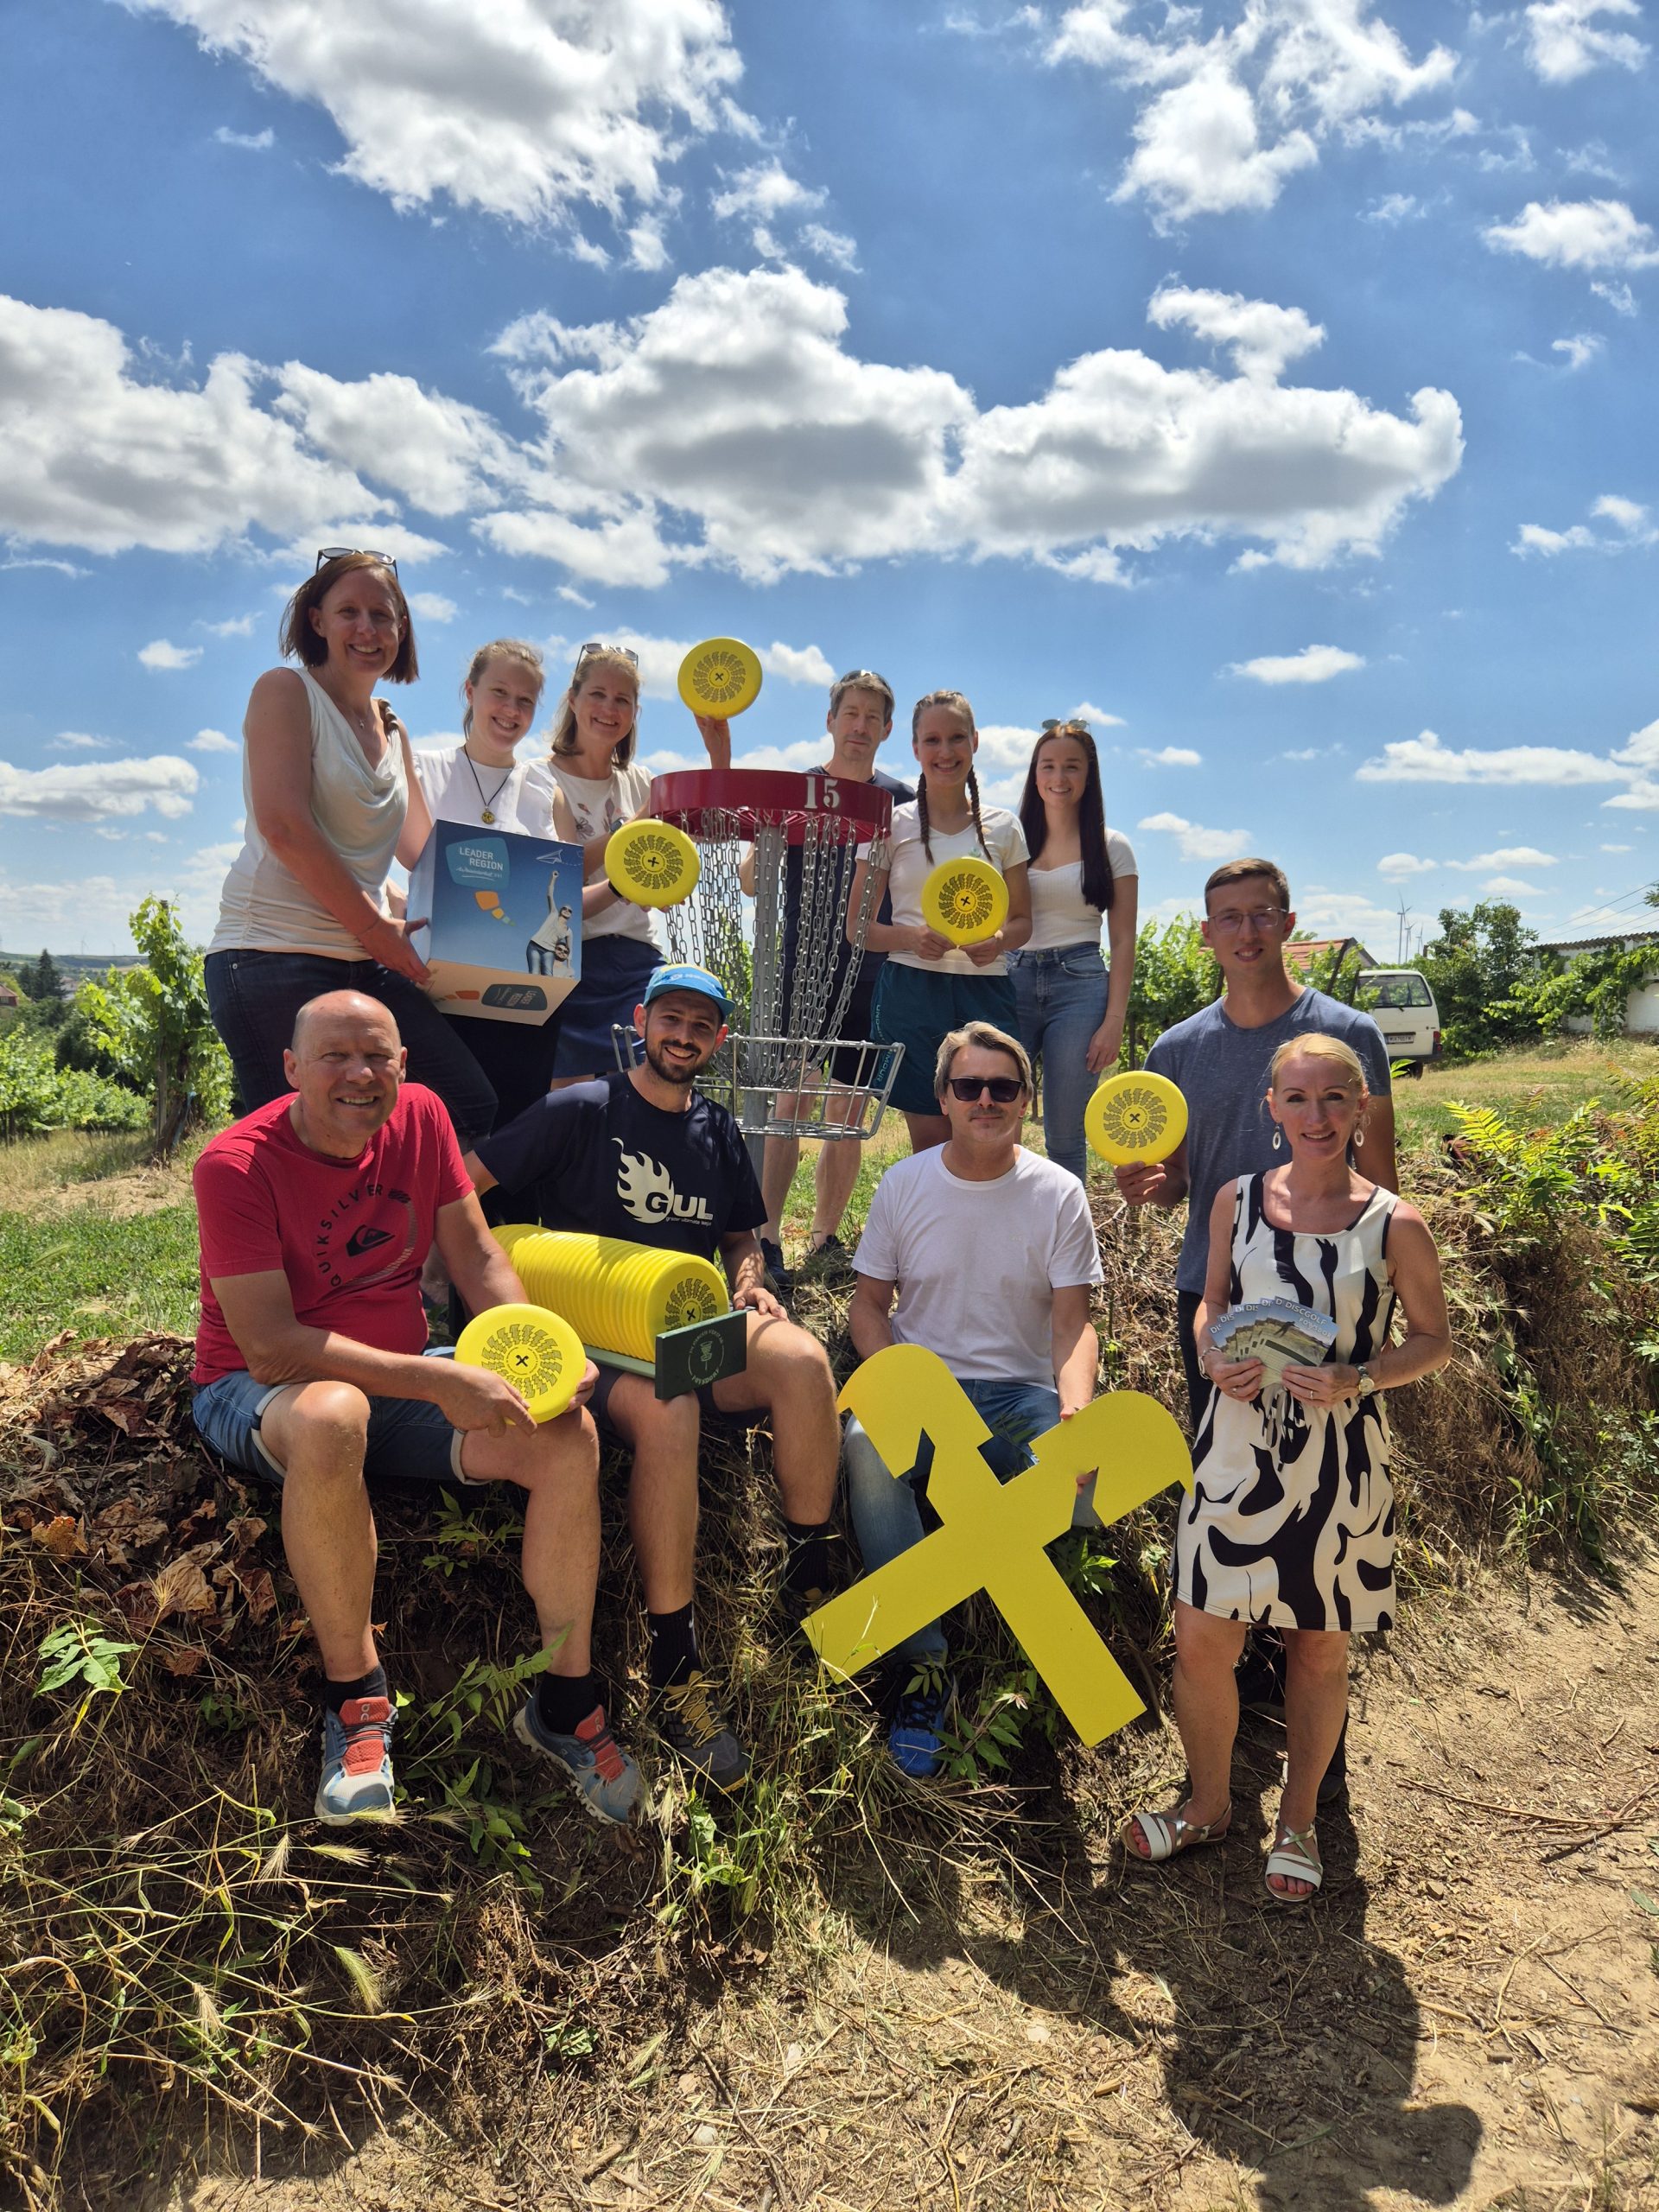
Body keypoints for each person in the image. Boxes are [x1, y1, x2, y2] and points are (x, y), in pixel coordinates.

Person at [189, 991, 642, 1828]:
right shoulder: (236, 1165)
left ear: (404, 1065)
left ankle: (566, 1701)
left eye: (379, 1056)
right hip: (257, 1392)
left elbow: (475, 1252)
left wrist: (535, 1351)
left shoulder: (424, 1118)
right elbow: (270, 1347)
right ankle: (356, 1703)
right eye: (335, 1056)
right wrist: (438, 1382)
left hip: (394, 1377)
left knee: (566, 1435)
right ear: (290, 1069)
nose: (360, 1074)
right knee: (333, 1417)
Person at [462, 964, 843, 1792]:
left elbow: (743, 1237)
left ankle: (808, 1571)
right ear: (640, 1020)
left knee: (806, 1361)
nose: (683, 1035)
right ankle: (677, 1669)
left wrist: (750, 1277)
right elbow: (464, 1186)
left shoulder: (719, 1132)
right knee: (669, 1412)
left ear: (719, 1041)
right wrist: (476, 1298)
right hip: (597, 1346)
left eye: (701, 1026)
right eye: (671, 1018)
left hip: (686, 1330)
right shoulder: (582, 1110)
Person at [1126, 1033, 1451, 1902]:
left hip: (1340, 1461)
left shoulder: (1396, 1221)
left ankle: (1298, 1817)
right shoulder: (1234, 1199)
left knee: (1316, 1646)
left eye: (1334, 1099)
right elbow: (1213, 1303)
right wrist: (1209, 1354)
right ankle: (1206, 1804)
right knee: (1201, 1635)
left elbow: (1434, 1340)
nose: (1316, 1116)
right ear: (1271, 1109)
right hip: (1235, 1448)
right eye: (1297, 1099)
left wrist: (1362, 1375)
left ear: (1361, 1110)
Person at [1116, 856, 1398, 1796]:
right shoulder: (1176, 1051)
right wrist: (1151, 1188)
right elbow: (1177, 1187)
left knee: (1318, 1513)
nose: (1245, 933)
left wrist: (1359, 1332)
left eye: (1261, 915)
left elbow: (1381, 1195)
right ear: (1206, 934)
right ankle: (1235, 1714)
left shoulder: (1347, 1033)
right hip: (1219, 1313)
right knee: (1236, 1503)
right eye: (1226, 918)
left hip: (1328, 1319)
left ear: (1287, 923)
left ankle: (1304, 1710)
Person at [844, 1021, 1103, 1777]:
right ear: (944, 1099)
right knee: (865, 1446)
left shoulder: (1059, 1192)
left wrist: (1076, 1410)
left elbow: (1072, 1326)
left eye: (1003, 1087)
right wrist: (898, 1382)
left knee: (1082, 1492)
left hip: (1022, 1393)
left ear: (1027, 1099)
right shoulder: (904, 1184)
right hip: (928, 1386)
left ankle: (1027, 1650)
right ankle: (927, 1668)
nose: (986, 1100)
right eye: (969, 1086)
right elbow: (867, 1307)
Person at [204, 550, 495, 1145]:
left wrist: (544, 878)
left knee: (465, 1103)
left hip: (362, 957)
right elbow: (283, 825)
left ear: (401, 629)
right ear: (317, 622)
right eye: (349, 612)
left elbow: (422, 850)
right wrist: (377, 932)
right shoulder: (286, 691)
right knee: (297, 1144)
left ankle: (408, 1238)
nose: (368, 629)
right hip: (269, 955)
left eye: (382, 616)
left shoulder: (392, 727)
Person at [702, 668, 915, 1293]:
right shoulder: (798, 790)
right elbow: (746, 879)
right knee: (789, 1103)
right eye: (850, 714)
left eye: (872, 717)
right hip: (800, 967)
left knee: (848, 1109)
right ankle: (766, 1238)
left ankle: (825, 1235)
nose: (859, 727)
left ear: (886, 729)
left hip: (872, 968)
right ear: (831, 720)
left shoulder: (900, 801)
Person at [849, 690, 1033, 1153]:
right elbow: (857, 928)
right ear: (915, 748)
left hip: (985, 988)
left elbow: (1023, 923)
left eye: (956, 739)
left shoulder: (1005, 827)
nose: (945, 752)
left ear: (975, 742)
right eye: (932, 740)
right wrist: (911, 936)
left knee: (991, 1136)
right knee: (930, 1143)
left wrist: (998, 940)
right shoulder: (889, 826)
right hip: (911, 991)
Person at [397, 639, 565, 1128]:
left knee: (517, 1133)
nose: (511, 710)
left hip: (526, 1000)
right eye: (499, 692)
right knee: (443, 1127)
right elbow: (396, 866)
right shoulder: (422, 771)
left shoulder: (543, 790)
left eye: (526, 701)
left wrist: (624, 883)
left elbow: (565, 891)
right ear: (470, 691)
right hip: (436, 993)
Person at [1008, 720, 1139, 1183]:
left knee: (1066, 1133)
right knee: (1001, 1121)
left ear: (1089, 775)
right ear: (1035, 773)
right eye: (1048, 766)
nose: (1058, 778)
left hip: (1081, 985)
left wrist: (1113, 1021)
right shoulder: (1010, 839)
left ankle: (1068, 1248)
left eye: (1071, 767)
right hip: (1013, 978)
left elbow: (1124, 940)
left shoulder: (1112, 846)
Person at [537, 643, 664, 1085]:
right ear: (573, 699)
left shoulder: (641, 781)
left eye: (622, 700)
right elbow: (561, 871)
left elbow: (675, 858)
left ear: (634, 712)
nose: (609, 709)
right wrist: (634, 832)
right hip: (566, 958)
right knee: (566, 1104)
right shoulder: (537, 779)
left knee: (640, 1098)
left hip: (634, 958)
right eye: (597, 695)